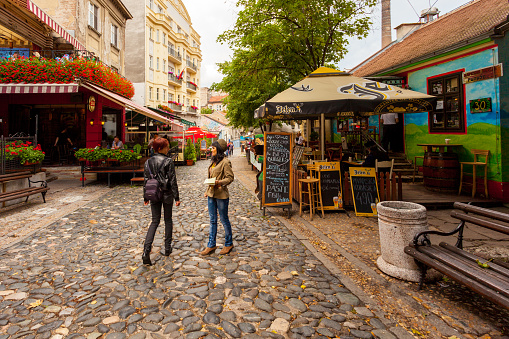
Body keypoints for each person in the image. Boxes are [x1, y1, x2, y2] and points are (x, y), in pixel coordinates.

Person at [142, 137, 181, 265]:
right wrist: (177, 197)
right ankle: (167, 248)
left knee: (154, 221)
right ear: (160, 148)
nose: (168, 148)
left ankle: (146, 251)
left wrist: (145, 196)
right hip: (167, 194)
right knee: (168, 220)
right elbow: (172, 180)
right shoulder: (168, 161)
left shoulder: (148, 162)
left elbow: (146, 180)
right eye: (166, 146)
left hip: (153, 194)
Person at [200, 139, 235, 256]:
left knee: (224, 219)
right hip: (211, 194)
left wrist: (219, 182)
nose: (211, 149)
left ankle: (229, 243)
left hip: (221, 195)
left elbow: (230, 178)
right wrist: (207, 191)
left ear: (219, 149)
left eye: (213, 148)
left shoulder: (225, 162)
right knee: (212, 220)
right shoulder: (213, 162)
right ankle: (211, 245)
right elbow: (210, 177)